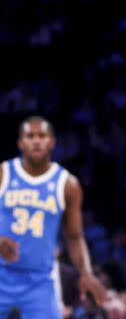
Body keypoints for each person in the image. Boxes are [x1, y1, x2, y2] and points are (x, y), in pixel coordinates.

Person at [0, 116, 107, 318]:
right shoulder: (3, 173)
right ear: (20, 143)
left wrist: (86, 272)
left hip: (40, 280)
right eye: (30, 136)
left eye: (42, 135)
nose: (36, 140)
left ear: (52, 142)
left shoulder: (67, 184)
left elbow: (74, 237)